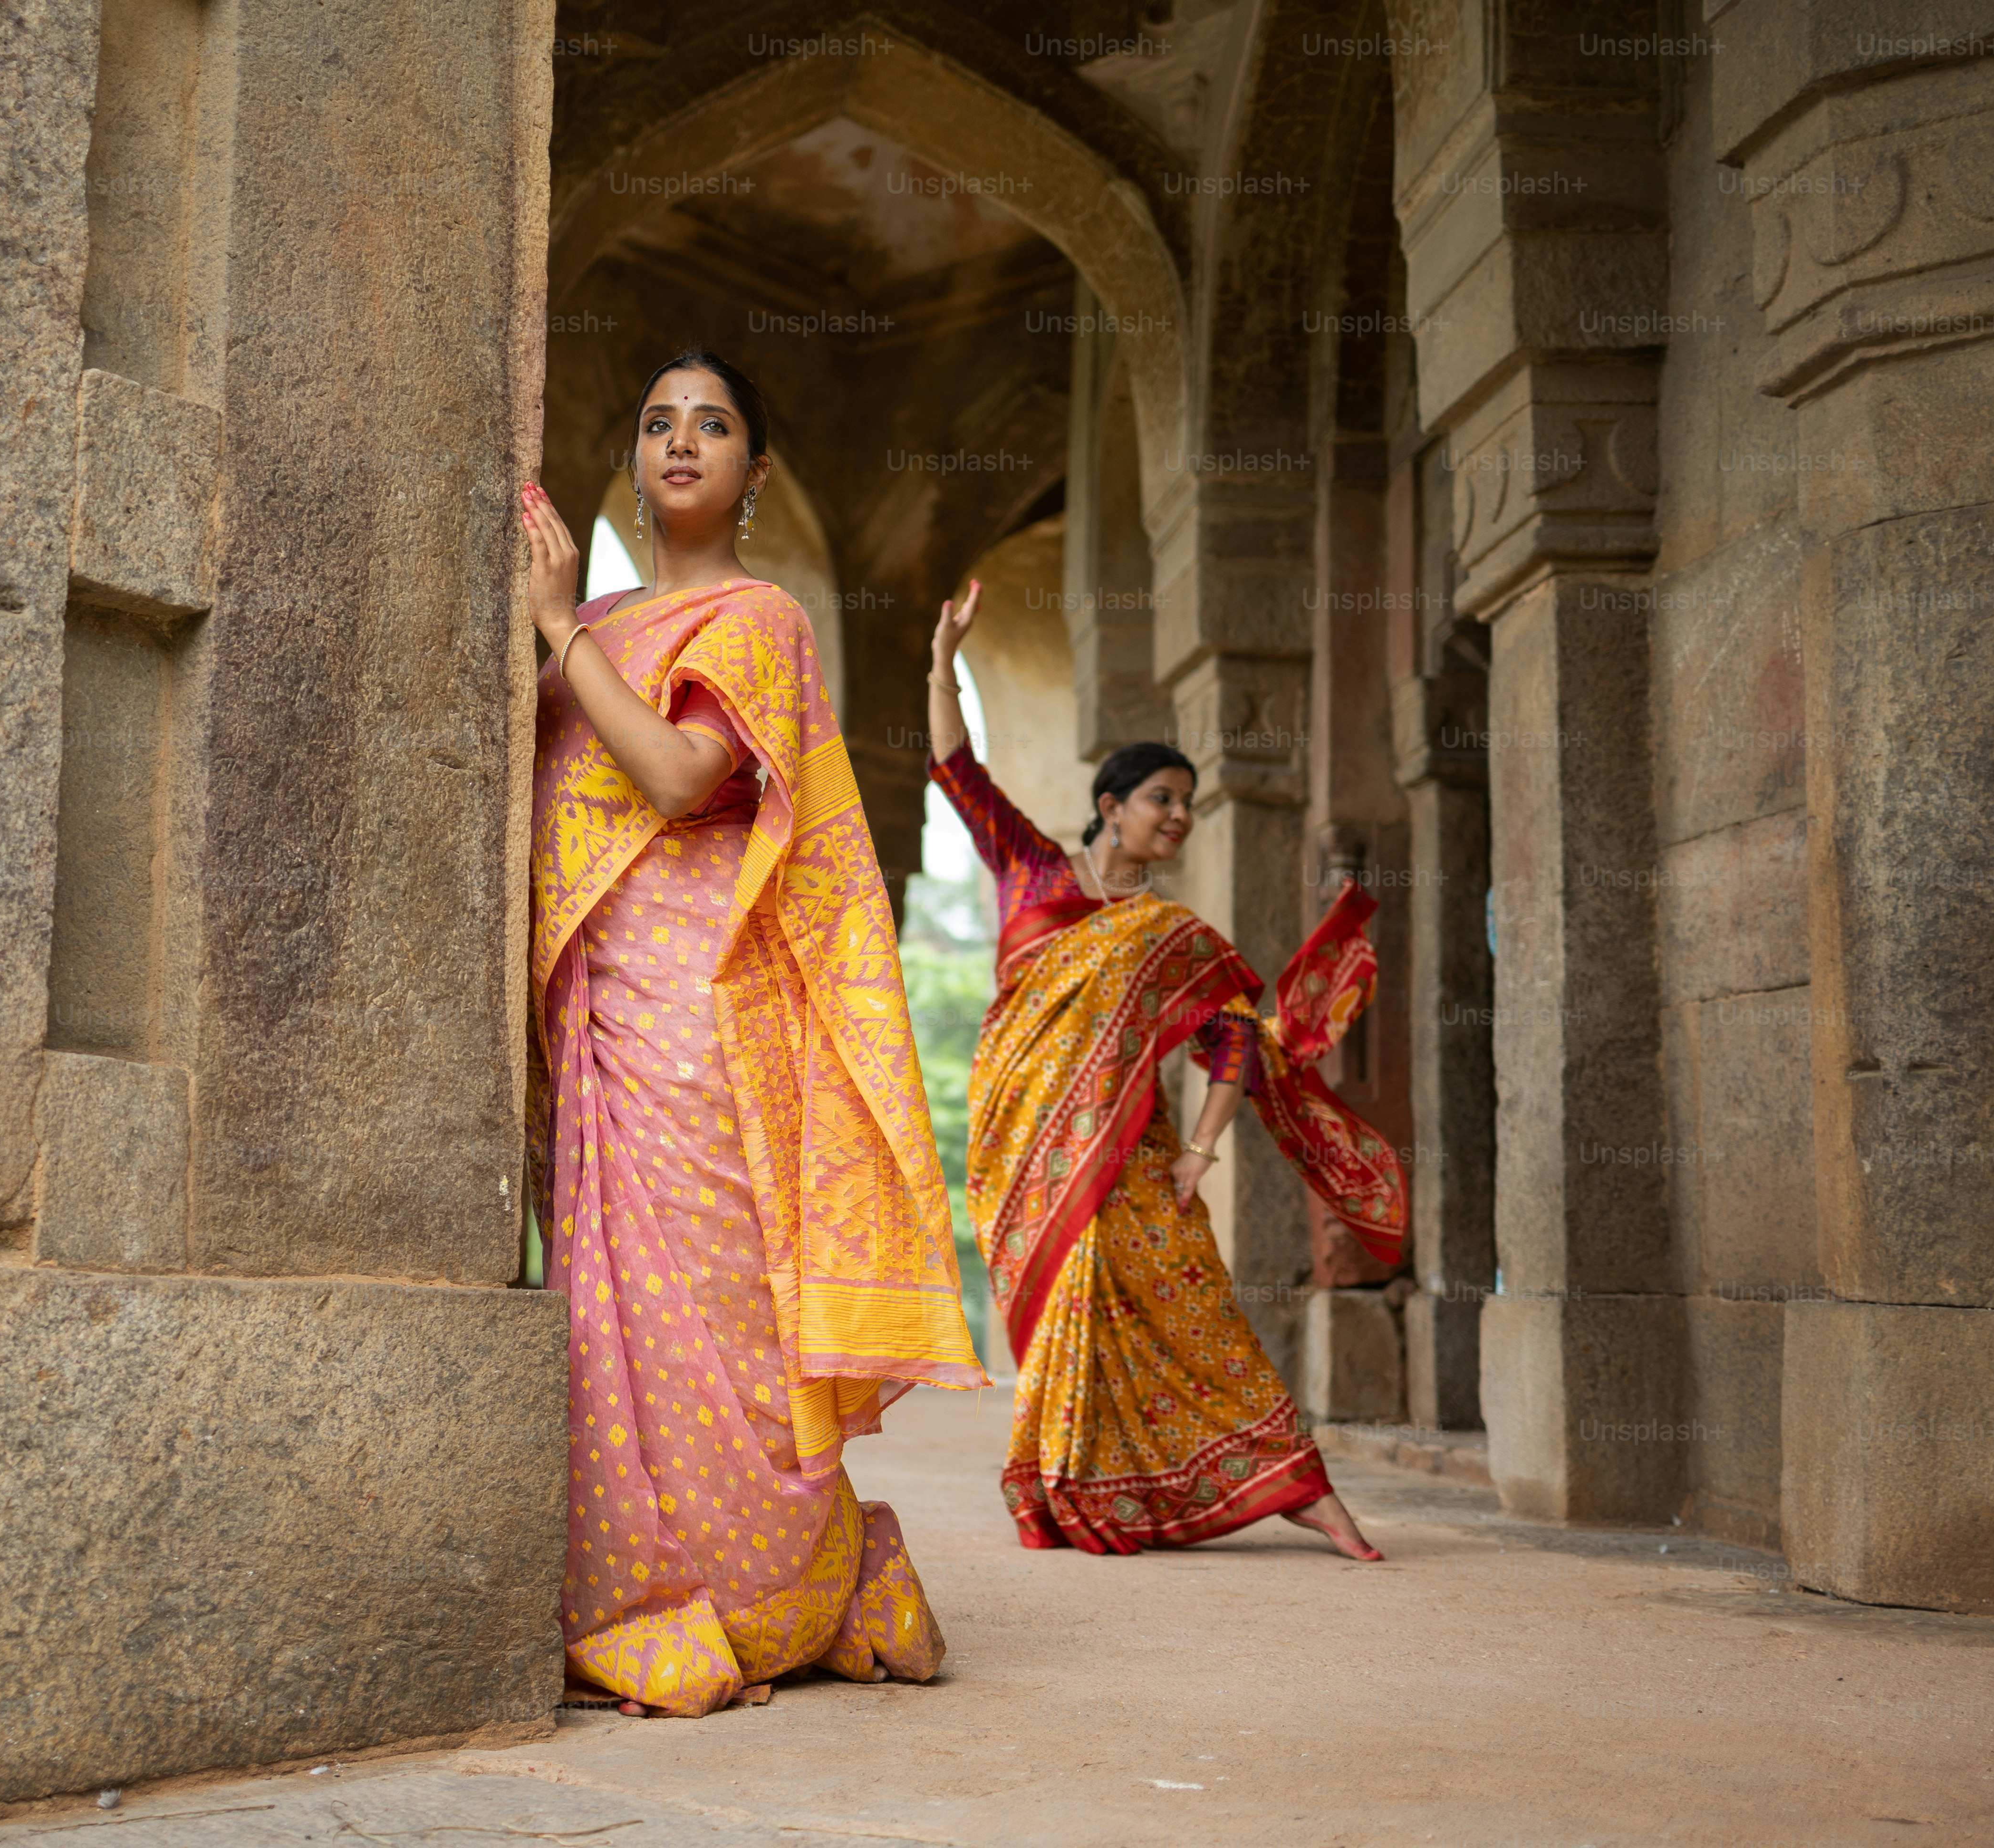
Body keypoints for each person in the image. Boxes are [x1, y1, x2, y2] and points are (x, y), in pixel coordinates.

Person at [516, 351, 989, 1718]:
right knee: (606, 1324)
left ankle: (779, 1587)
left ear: (756, 472)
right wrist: (566, 623)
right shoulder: (600, 612)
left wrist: (559, 637)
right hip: (595, 1016)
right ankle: (640, 1582)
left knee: (715, 1321)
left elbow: (674, 781)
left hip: (696, 1029)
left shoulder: (757, 616)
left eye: (712, 425)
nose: (680, 442)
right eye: (658, 423)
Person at [924, 580, 1408, 1559]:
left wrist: (1200, 1151)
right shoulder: (1036, 872)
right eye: (1163, 799)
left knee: (1196, 1314)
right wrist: (943, 664)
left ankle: (1303, 1490)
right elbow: (957, 770)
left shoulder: (1178, 938)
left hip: (1135, 1158)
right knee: (1071, 1324)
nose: (1180, 816)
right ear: (1112, 806)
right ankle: (1074, 1490)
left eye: (1188, 803)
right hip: (1028, 1159)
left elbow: (1232, 1042)